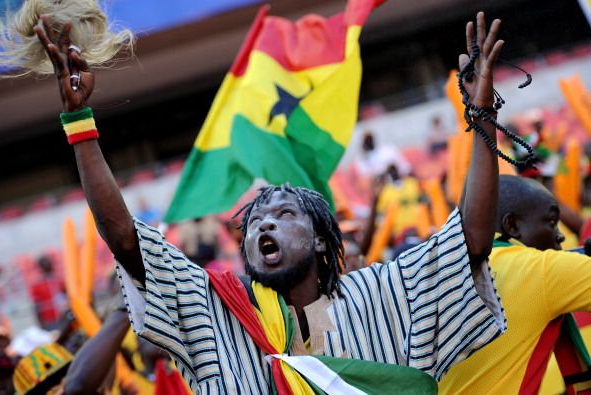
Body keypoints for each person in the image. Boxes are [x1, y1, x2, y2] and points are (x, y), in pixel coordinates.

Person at [33, 11, 506, 393]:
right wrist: (80, 125)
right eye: (255, 220)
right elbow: (125, 239)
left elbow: (470, 241)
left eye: (283, 215)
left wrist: (481, 116)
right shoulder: (214, 313)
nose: (262, 225)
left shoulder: (383, 293)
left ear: (323, 241)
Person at [439, 175, 591, 394]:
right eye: (551, 222)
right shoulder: (541, 270)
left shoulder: (451, 269)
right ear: (512, 225)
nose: (560, 236)